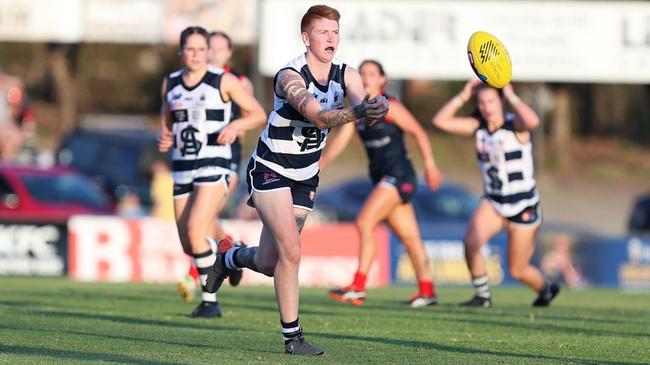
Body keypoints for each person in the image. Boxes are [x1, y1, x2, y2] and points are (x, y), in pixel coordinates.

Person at [205, 5, 388, 355]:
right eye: (323, 32)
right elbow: (318, 116)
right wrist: (360, 113)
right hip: (270, 168)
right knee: (292, 251)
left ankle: (229, 257)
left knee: (271, 261)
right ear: (306, 37)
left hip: (305, 177)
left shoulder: (347, 73)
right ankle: (293, 338)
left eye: (335, 32)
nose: (331, 38)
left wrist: (375, 110)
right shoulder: (289, 75)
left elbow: (363, 107)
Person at [158, 26, 266, 318]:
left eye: (200, 49)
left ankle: (210, 302)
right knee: (188, 243)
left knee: (196, 231)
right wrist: (166, 134)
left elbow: (257, 113)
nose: (195, 55)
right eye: (189, 49)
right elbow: (168, 118)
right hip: (182, 169)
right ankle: (230, 255)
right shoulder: (171, 83)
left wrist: (235, 126)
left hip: (214, 164)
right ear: (181, 52)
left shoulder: (224, 80)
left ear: (208, 52)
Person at [321, 60, 442, 308]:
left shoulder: (391, 106)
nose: (365, 77)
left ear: (382, 81)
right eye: (362, 73)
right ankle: (427, 291)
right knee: (409, 237)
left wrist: (430, 165)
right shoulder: (358, 112)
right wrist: (320, 162)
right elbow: (341, 141)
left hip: (398, 176)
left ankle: (358, 286)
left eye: (372, 74)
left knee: (364, 221)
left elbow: (419, 132)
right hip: (384, 180)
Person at [432, 79, 560, 307]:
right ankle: (482, 296)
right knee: (471, 242)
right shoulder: (478, 127)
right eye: (481, 101)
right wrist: (463, 95)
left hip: (523, 205)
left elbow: (534, 120)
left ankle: (546, 288)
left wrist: (511, 95)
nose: (486, 106)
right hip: (493, 202)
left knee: (518, 269)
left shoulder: (515, 126)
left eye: (491, 100)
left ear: (500, 101)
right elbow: (440, 121)